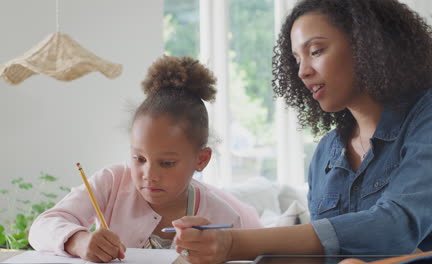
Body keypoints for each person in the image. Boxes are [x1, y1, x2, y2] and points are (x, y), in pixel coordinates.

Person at [170, 0, 432, 263]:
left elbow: (396, 226)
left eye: (316, 51)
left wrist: (235, 243)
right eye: (297, 60)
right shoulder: (326, 154)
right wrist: (212, 250)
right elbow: (324, 253)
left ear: (367, 44)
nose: (302, 71)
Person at [28, 56, 262, 263]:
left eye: (167, 163)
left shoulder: (223, 217)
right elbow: (41, 227)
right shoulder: (111, 182)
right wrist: (78, 241)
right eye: (139, 158)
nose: (149, 174)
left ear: (201, 159)